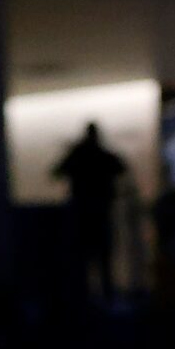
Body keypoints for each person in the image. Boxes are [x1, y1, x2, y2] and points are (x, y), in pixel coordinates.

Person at [53, 124, 128, 301]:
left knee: (87, 260)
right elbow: (120, 168)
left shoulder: (82, 154)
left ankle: (88, 300)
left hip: (86, 215)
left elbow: (57, 172)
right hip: (95, 214)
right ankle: (102, 298)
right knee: (100, 260)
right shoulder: (98, 154)